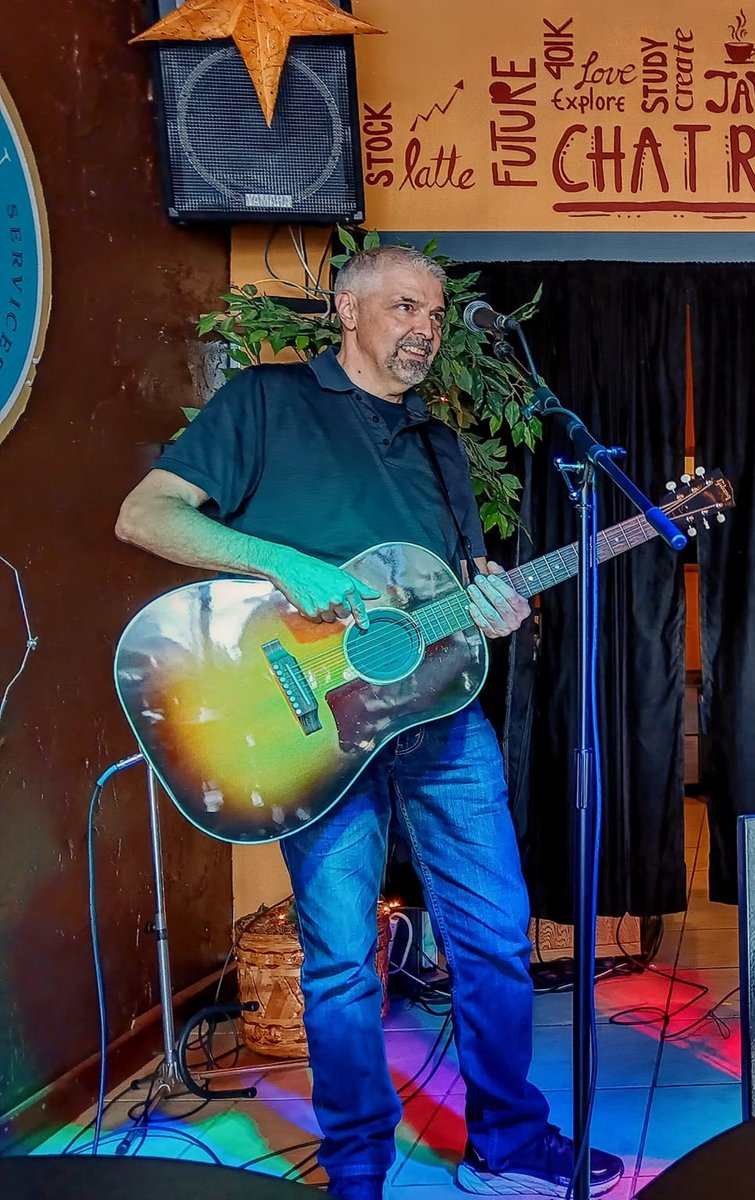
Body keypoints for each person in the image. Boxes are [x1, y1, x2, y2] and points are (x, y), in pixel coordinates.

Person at [115, 245, 625, 1199]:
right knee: (342, 960)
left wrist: (495, 605)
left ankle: (509, 1141)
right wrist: (281, 562)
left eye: (433, 314)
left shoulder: (440, 444)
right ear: (347, 311)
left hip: (439, 719)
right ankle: (357, 1164)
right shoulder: (266, 402)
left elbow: (454, 591)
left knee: (495, 934)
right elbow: (147, 516)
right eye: (404, 308)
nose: (425, 329)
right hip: (311, 728)